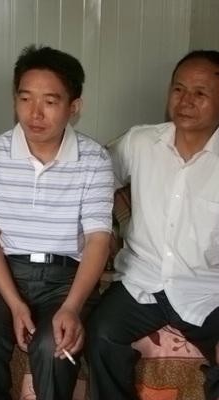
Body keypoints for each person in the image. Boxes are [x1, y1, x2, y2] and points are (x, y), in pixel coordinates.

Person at [0, 45, 114, 400]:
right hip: (4, 275)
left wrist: (72, 307)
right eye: (25, 98)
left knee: (54, 347)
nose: (35, 113)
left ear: (74, 107)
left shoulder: (94, 160)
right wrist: (15, 304)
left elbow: (98, 241)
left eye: (50, 101)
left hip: (66, 279)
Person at [86, 50, 219, 400]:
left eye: (200, 93)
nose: (185, 101)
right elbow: (93, 176)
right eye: (178, 89)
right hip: (140, 279)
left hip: (208, 289)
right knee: (101, 335)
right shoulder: (141, 141)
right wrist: (104, 228)